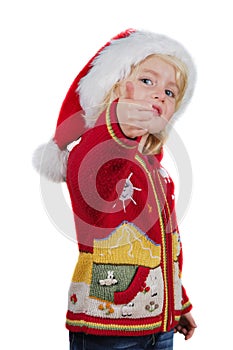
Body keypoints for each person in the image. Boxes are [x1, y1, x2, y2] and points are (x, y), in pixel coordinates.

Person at [33, 29, 197, 350]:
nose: (160, 95)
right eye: (148, 81)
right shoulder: (94, 148)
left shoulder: (156, 170)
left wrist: (179, 303)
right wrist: (117, 121)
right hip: (108, 327)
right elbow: (100, 168)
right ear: (118, 87)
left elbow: (166, 243)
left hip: (159, 324)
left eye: (170, 92)